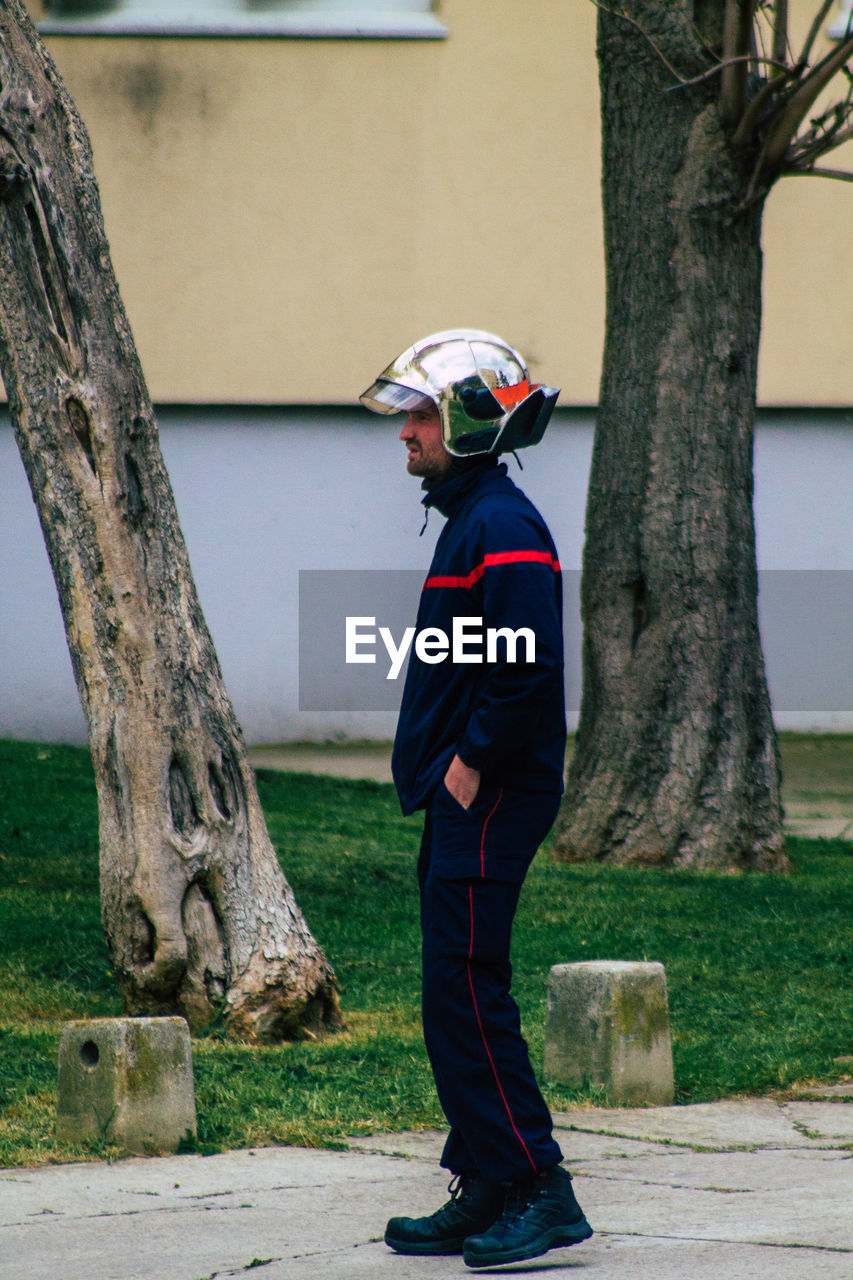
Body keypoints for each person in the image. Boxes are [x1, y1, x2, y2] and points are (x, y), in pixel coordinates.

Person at [359, 330, 593, 1269]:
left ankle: (541, 1189)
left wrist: (471, 762)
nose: (403, 433)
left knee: (467, 990)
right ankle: (489, 1179)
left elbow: (524, 665)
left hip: (491, 792)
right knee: (450, 992)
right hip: (464, 793)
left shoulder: (498, 522)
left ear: (464, 418)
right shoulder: (470, 514)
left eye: (416, 415)